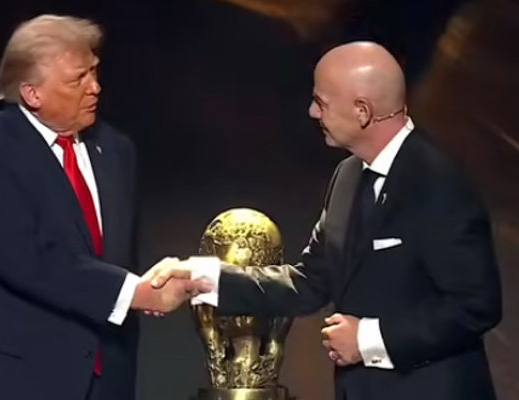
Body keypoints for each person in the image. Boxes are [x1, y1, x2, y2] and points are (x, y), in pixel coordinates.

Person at [148, 41, 502, 400]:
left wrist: (368, 340)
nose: (312, 112)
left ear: (362, 111)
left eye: (321, 102)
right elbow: (309, 282)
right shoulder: (347, 177)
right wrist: (201, 276)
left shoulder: (437, 184)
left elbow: (475, 306)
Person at [0, 14, 209, 400]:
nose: (95, 88)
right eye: (78, 79)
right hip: (5, 382)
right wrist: (134, 293)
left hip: (102, 383)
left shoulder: (116, 151)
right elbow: (27, 259)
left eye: (94, 71)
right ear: (32, 94)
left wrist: (145, 289)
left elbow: (110, 260)